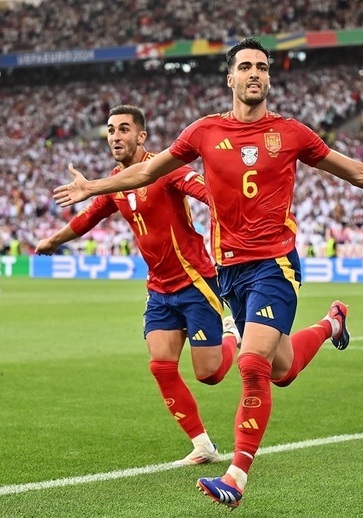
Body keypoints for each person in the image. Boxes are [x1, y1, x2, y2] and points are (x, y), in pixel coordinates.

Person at [52, 38, 363, 508]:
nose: (255, 73)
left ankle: (236, 476)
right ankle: (331, 324)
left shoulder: (290, 133)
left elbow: (355, 171)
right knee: (282, 369)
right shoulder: (203, 132)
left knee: (252, 366)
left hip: (275, 263)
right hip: (229, 272)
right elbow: (146, 173)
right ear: (230, 78)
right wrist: (94, 187)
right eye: (246, 66)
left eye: (263, 67)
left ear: (269, 78)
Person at [36, 105, 240, 466]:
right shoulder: (116, 183)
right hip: (159, 288)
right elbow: (88, 217)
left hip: (195, 281)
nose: (115, 136)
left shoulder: (166, 168)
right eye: (111, 130)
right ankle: (203, 445)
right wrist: (53, 240)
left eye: (124, 129)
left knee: (209, 374)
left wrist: (229, 201)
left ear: (141, 136)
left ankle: (231, 334)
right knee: (161, 365)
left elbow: (207, 192)